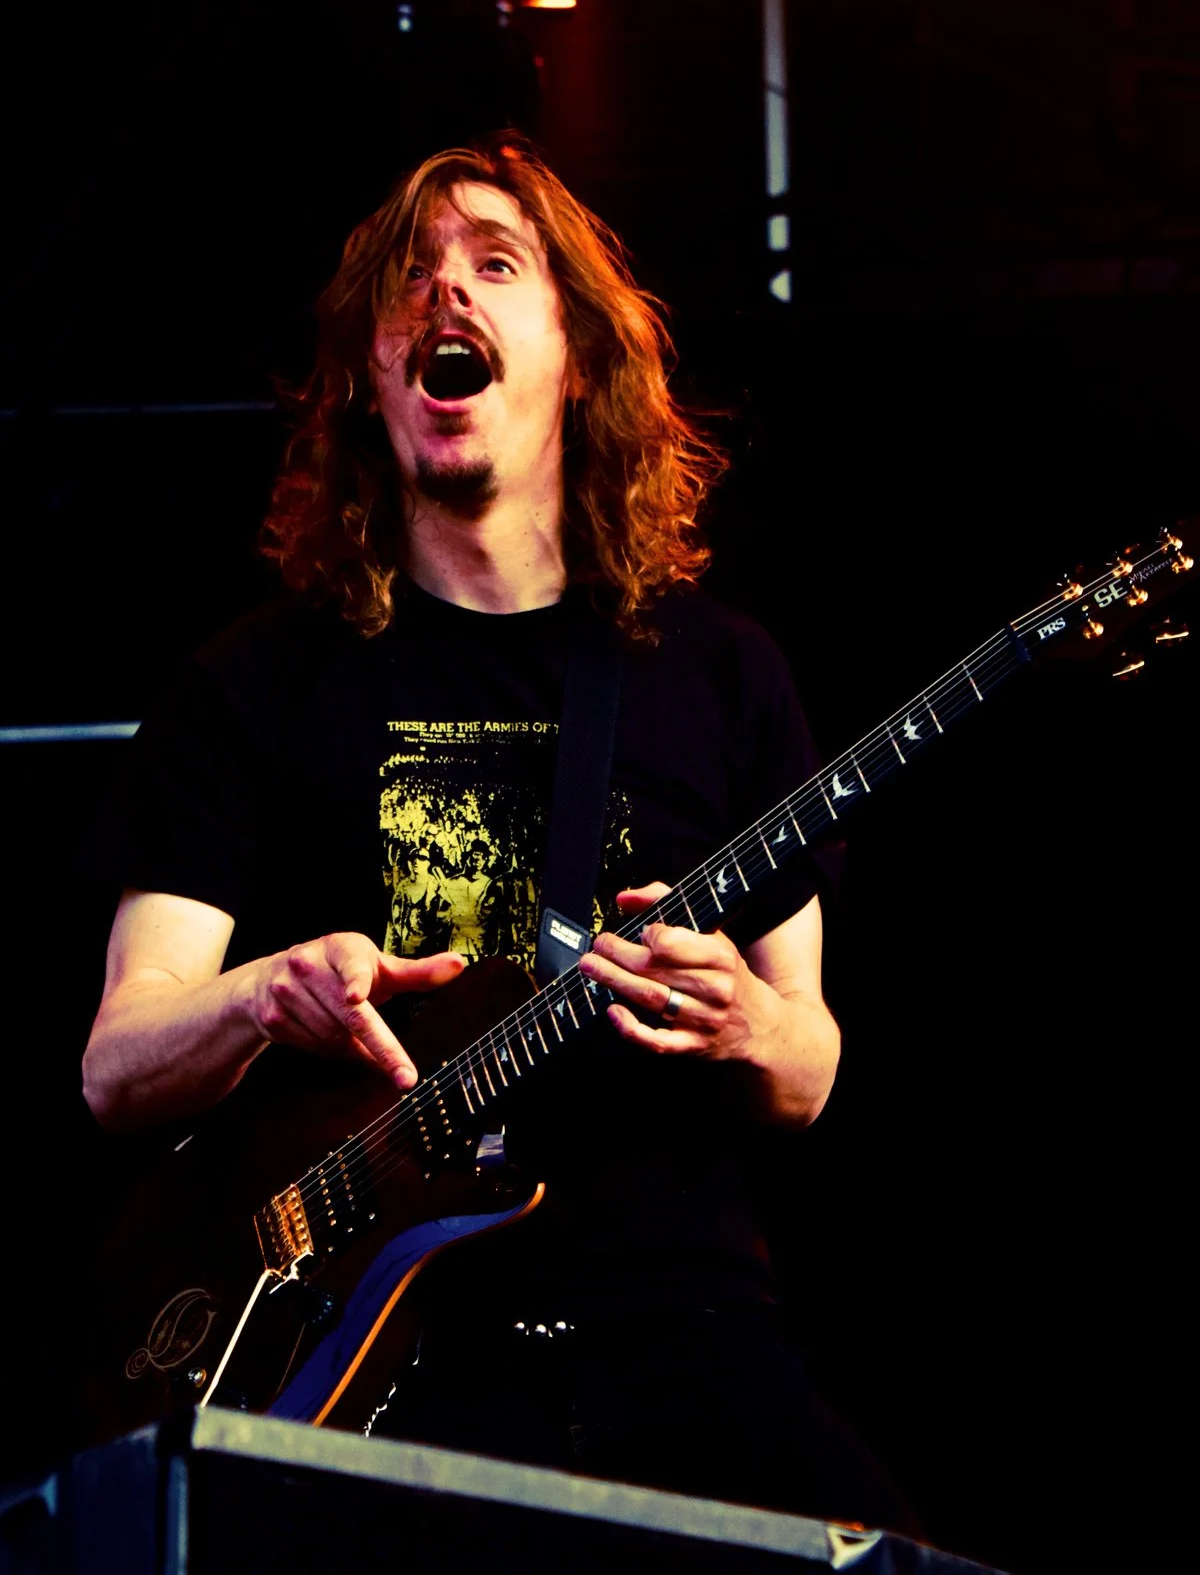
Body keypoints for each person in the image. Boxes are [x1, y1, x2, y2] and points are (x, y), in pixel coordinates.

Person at [82, 134, 917, 1532]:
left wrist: (745, 1027)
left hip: (675, 1317)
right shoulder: (251, 684)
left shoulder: (718, 672)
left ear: (577, 356)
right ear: (367, 376)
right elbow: (119, 1063)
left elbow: (809, 1067)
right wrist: (264, 995)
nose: (441, 298)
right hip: (379, 1348)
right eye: (406, 282)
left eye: (492, 263)